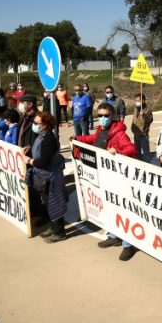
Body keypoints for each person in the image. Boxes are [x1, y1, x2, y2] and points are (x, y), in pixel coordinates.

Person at [73, 103, 137, 261]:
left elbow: (132, 149)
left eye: (106, 115)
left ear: (112, 115)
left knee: (122, 211)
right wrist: (77, 139)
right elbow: (93, 139)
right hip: (103, 177)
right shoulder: (101, 130)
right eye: (100, 115)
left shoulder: (120, 133)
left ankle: (128, 245)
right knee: (108, 208)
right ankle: (114, 235)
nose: (102, 118)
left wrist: (118, 152)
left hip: (117, 179)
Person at [23, 111, 67, 242]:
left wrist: (29, 161)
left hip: (50, 177)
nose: (34, 125)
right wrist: (30, 149)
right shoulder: (42, 136)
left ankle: (59, 233)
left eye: (36, 123)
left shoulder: (48, 138)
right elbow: (40, 152)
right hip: (45, 177)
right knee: (47, 202)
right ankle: (53, 227)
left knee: (55, 203)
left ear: (45, 125)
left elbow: (44, 160)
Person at [16, 94, 46, 225]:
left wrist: (32, 149)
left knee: (37, 188)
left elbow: (43, 137)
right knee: (29, 186)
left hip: (34, 158)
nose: (20, 105)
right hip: (24, 157)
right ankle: (33, 210)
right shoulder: (24, 117)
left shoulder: (38, 119)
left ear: (30, 104)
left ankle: (43, 214)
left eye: (23, 102)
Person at [131, 93, 153, 162]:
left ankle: (147, 165)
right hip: (136, 133)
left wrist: (144, 115)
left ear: (143, 101)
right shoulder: (135, 107)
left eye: (138, 100)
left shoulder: (147, 109)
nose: (136, 102)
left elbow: (150, 120)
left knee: (146, 153)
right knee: (137, 152)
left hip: (143, 134)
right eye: (136, 101)